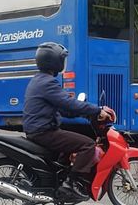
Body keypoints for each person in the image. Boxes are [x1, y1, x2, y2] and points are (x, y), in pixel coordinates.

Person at [23, 42, 114, 201]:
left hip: (39, 130)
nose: (63, 63)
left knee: (70, 143)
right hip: (44, 132)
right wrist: (97, 110)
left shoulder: (39, 80)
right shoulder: (48, 83)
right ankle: (71, 184)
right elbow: (69, 103)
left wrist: (86, 115)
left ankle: (60, 180)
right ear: (54, 62)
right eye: (61, 59)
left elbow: (64, 109)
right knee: (87, 145)